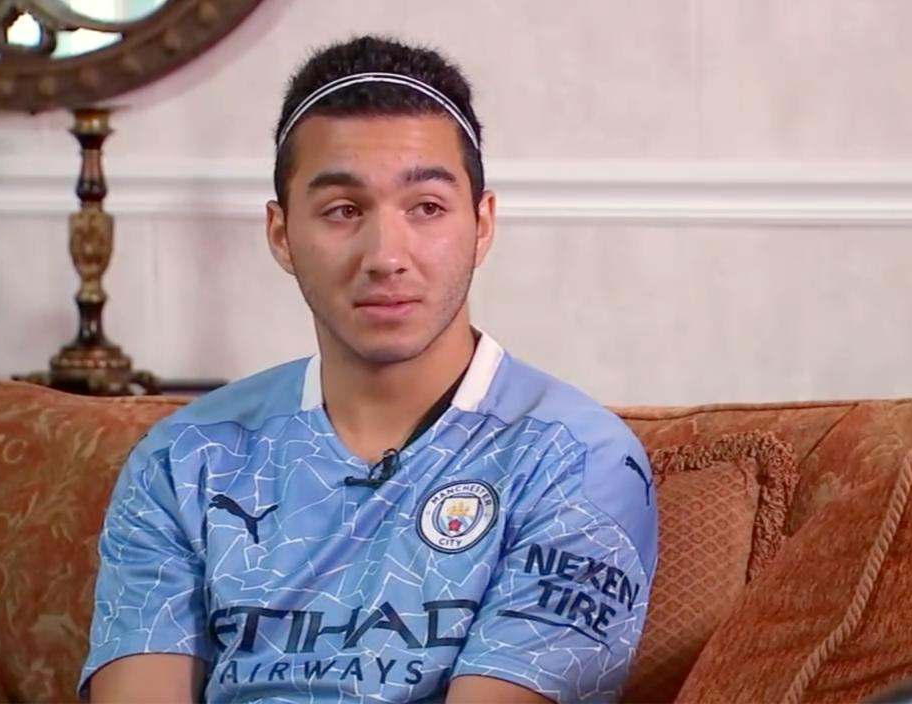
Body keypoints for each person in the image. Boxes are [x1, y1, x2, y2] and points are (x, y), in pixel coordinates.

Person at [77, 35, 659, 704]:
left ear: (482, 224)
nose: (386, 255)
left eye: (427, 208)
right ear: (281, 234)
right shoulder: (185, 458)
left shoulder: (576, 460)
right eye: (344, 211)